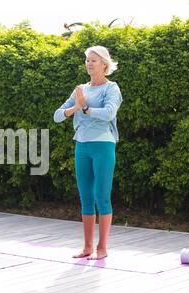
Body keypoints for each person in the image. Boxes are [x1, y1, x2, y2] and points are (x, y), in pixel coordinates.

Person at [53, 46, 122, 260]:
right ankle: (87, 247)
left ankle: (102, 248)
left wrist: (86, 109)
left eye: (93, 60)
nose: (89, 64)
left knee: (102, 196)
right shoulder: (80, 90)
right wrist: (76, 107)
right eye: (87, 60)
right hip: (81, 146)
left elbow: (109, 113)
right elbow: (57, 116)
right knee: (86, 198)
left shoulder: (111, 88)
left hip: (103, 145)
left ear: (104, 64)